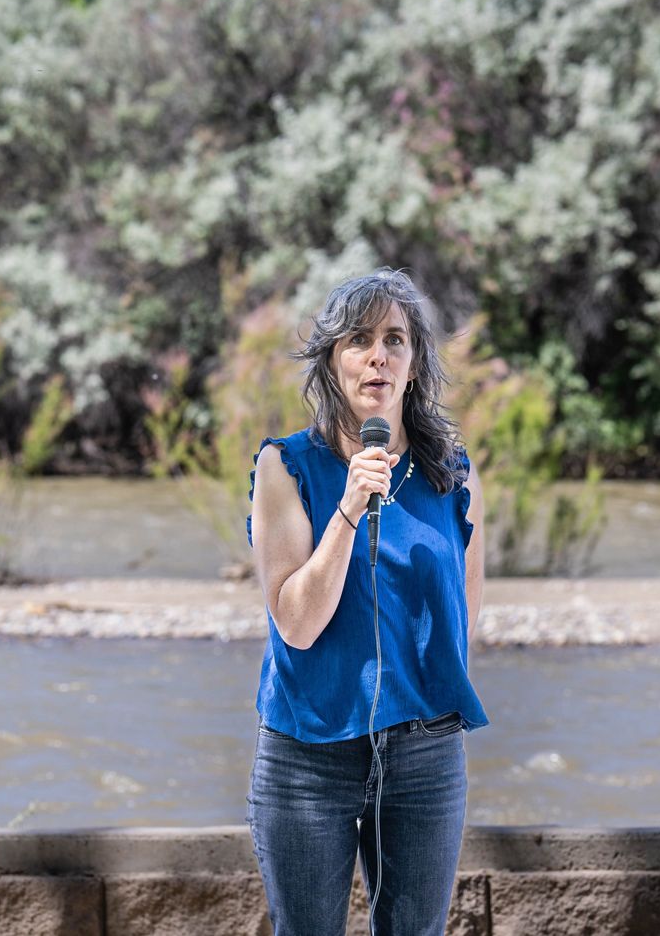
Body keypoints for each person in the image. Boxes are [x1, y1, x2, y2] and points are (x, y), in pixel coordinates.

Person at [245, 268, 488, 936]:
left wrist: (426, 714)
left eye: (395, 339)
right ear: (333, 360)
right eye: (359, 339)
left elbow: (466, 617)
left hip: (423, 759)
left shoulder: (454, 473)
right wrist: (350, 507)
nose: (378, 354)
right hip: (307, 755)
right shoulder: (284, 468)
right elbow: (295, 624)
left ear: (414, 364)